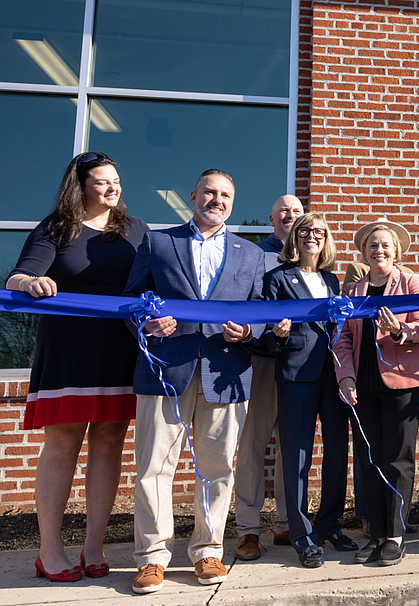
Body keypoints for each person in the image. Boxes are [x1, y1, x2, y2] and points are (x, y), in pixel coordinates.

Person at [122, 169, 267, 593]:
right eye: (209, 192)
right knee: (153, 467)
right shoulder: (159, 241)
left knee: (217, 467)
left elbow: (258, 311)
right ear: (193, 195)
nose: (216, 199)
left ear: (231, 203)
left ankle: (208, 552)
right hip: (165, 370)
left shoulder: (251, 253)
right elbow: (132, 301)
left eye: (225, 194)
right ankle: (151, 558)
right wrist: (147, 324)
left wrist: (249, 332)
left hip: (226, 373)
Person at [5, 152, 148, 582]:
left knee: (109, 445)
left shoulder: (136, 230)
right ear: (80, 185)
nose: (113, 188)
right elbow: (16, 276)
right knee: (63, 446)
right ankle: (49, 551)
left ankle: (93, 546)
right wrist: (30, 282)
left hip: (119, 351)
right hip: (67, 351)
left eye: (117, 180)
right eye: (103, 181)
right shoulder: (56, 228)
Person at [334, 220, 419, 566]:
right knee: (370, 461)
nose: (379, 251)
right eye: (372, 245)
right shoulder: (353, 292)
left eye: (385, 245)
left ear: (396, 251)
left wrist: (399, 330)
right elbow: (342, 339)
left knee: (398, 460)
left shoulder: (410, 282)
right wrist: (345, 377)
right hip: (362, 385)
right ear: (364, 252)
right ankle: (376, 535)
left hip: (402, 383)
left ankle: (395, 535)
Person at [263, 212, 356, 568]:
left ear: (326, 238)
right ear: (295, 238)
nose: (311, 236)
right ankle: (302, 536)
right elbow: (265, 334)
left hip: (333, 376)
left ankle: (329, 524)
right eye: (304, 231)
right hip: (296, 375)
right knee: (298, 457)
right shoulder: (277, 278)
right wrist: (278, 335)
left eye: (318, 231)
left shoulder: (334, 281)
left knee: (337, 452)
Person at [234, 194, 303, 559]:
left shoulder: (314, 260)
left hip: (300, 365)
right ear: (272, 219)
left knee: (292, 448)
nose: (290, 215)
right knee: (252, 447)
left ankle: (287, 524)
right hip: (262, 360)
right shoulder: (254, 256)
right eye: (283, 211)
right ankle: (247, 529)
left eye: (296, 211)